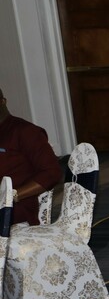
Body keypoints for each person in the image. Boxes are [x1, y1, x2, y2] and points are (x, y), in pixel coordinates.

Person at [0, 87, 63, 226]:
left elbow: (52, 172)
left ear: (3, 101)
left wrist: (11, 196)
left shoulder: (25, 131)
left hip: (14, 208)